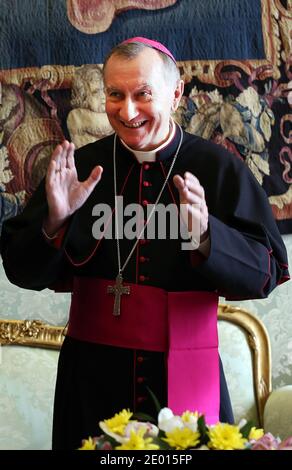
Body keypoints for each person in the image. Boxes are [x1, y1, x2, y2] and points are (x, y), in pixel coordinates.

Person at [0, 37, 289, 450]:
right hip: (91, 381)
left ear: (176, 93)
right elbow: (21, 270)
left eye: (143, 94)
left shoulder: (217, 168)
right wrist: (55, 221)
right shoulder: (80, 168)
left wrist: (208, 235)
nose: (127, 111)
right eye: (115, 95)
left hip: (186, 377)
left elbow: (267, 272)